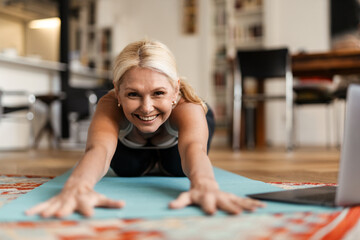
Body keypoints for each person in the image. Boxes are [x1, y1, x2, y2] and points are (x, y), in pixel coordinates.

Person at [26, 39, 264, 218]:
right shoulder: (109, 105)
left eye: (158, 93)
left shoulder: (187, 107)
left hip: (182, 135)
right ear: (117, 90)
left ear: (175, 89)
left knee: (177, 168)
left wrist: (205, 185)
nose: (146, 107)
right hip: (132, 140)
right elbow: (98, 150)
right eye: (133, 94)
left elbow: (194, 147)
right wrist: (78, 187)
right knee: (127, 169)